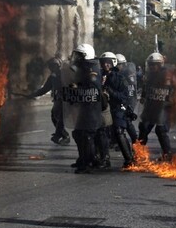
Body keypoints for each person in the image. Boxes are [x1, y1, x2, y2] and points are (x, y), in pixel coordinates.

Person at [61, 43, 103, 174]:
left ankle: (88, 162)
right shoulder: (84, 68)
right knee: (78, 133)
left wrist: (78, 88)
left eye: (79, 55)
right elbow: (84, 82)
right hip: (84, 108)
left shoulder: (92, 69)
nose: (76, 58)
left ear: (86, 56)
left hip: (91, 109)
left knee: (87, 136)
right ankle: (83, 159)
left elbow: (93, 86)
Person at [23, 57, 69, 145]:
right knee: (54, 117)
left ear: (58, 65)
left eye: (53, 66)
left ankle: (62, 136)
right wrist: (33, 95)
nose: (51, 68)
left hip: (67, 100)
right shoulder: (53, 77)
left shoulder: (66, 74)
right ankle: (63, 134)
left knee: (61, 118)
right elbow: (45, 89)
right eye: (50, 66)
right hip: (58, 100)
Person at [100, 52, 134, 168]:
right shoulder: (98, 76)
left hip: (117, 108)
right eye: (103, 63)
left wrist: (110, 91)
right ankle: (103, 159)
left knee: (119, 131)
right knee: (101, 132)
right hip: (103, 109)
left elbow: (124, 96)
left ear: (113, 63)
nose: (105, 65)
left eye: (108, 63)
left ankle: (129, 159)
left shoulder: (119, 78)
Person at [138, 52, 173, 161]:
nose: (152, 67)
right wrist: (143, 97)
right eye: (151, 64)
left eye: (155, 64)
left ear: (161, 64)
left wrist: (171, 100)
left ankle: (167, 154)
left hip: (163, 108)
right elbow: (145, 90)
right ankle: (139, 154)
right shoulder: (148, 76)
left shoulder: (168, 75)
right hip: (150, 108)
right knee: (143, 128)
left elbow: (175, 91)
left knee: (161, 130)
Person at [116, 53, 139, 144]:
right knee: (123, 121)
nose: (118, 67)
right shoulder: (121, 74)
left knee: (127, 121)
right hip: (125, 100)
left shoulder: (127, 74)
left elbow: (130, 90)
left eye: (119, 65)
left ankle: (135, 141)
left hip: (129, 100)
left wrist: (128, 104)